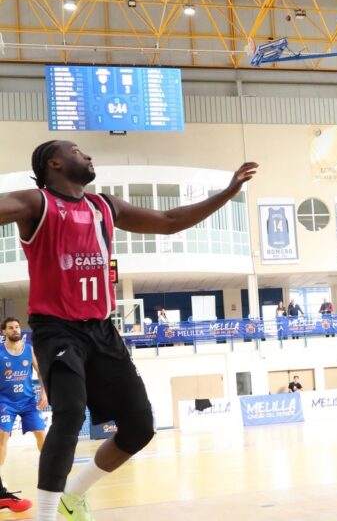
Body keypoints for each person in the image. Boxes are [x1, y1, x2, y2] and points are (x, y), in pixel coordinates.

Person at [0, 140, 258, 521]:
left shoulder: (105, 206)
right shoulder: (36, 203)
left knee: (139, 427)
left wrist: (227, 192)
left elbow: (169, 221)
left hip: (102, 330)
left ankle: (74, 494)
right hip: (57, 328)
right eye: (76, 150)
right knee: (70, 412)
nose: (87, 155)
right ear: (54, 163)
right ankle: (47, 516)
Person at [0, 317, 48, 512]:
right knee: (2, 436)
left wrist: (44, 392)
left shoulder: (29, 349)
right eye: (11, 328)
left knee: (41, 434)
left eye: (17, 327)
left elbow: (41, 372)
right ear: (3, 331)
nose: (15, 330)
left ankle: (51, 470)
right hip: (5, 402)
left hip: (28, 401)